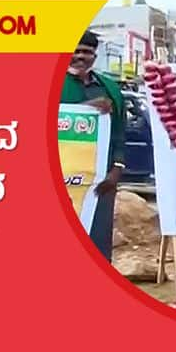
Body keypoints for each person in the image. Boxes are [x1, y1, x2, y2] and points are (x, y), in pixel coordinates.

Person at [60, 30, 126, 262]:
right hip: (61, 182)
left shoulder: (110, 89)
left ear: (94, 56)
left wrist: (116, 170)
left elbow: (120, 133)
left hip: (100, 184)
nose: (80, 56)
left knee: (97, 246)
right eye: (75, 51)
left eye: (86, 52)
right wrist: (88, 107)